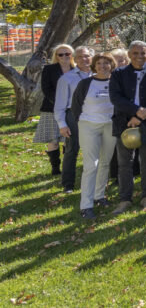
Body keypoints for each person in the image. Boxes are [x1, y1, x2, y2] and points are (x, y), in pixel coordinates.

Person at [110, 41, 146, 214]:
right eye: (135, 53)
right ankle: (125, 198)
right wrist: (136, 113)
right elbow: (115, 97)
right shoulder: (119, 73)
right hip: (124, 123)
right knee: (124, 163)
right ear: (129, 54)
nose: (139, 56)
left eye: (143, 53)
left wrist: (141, 116)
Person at [67, 52, 118, 219]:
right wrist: (81, 121)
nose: (103, 66)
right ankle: (86, 206)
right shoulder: (86, 83)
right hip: (89, 126)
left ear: (112, 65)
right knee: (91, 165)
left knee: (104, 162)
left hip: (110, 126)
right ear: (94, 66)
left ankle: (99, 196)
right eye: (99, 63)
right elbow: (76, 106)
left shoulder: (116, 83)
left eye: (106, 63)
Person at [54, 46, 89, 193]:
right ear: (74, 59)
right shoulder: (66, 78)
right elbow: (60, 105)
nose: (84, 59)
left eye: (86, 56)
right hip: (74, 116)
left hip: (96, 115)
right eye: (80, 57)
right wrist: (62, 125)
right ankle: (68, 184)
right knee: (71, 150)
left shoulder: (100, 74)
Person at [37, 45, 75, 178]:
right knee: (53, 139)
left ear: (72, 54)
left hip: (72, 109)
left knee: (68, 139)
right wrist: (60, 103)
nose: (64, 56)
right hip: (51, 108)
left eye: (67, 53)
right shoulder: (49, 69)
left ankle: (67, 165)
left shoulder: (77, 70)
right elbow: (46, 89)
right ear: (56, 57)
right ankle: (55, 167)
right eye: (61, 54)